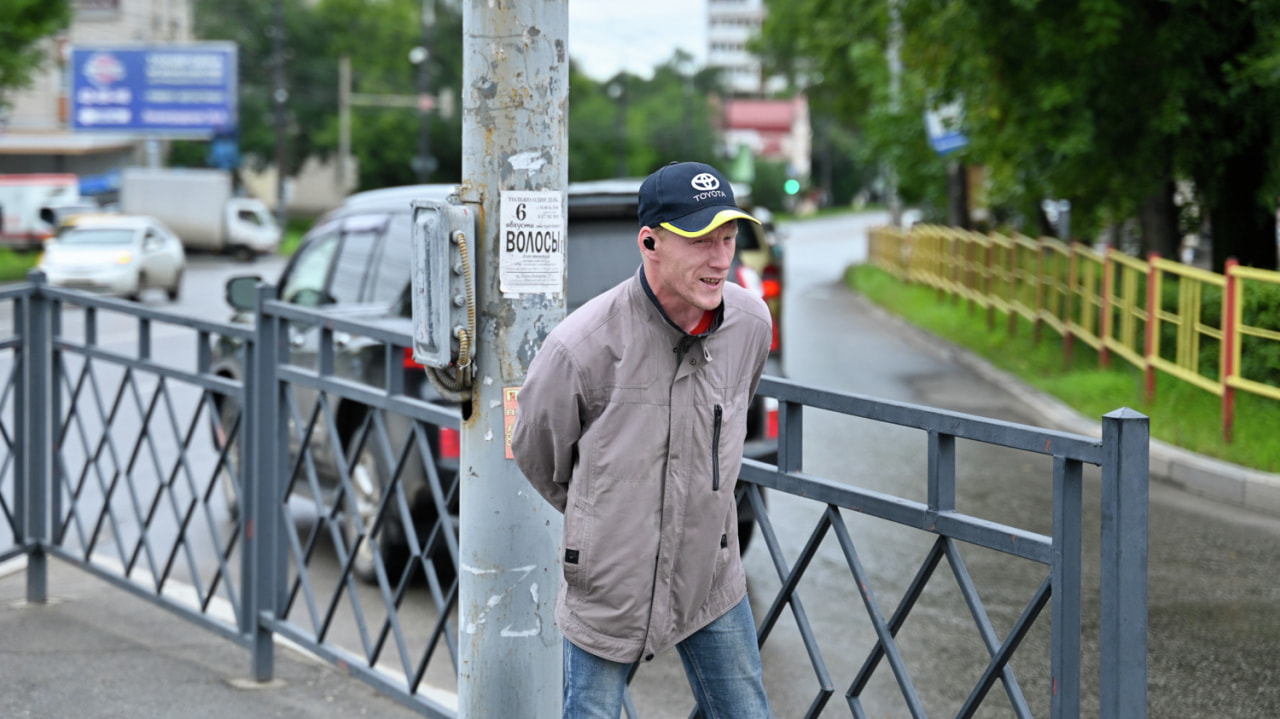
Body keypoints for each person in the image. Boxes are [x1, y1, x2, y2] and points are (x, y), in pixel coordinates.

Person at [511, 161, 775, 718]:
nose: (721, 258)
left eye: (728, 239)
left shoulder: (750, 323)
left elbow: (736, 412)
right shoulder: (580, 347)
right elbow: (538, 452)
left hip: (710, 572)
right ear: (650, 242)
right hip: (611, 583)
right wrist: (606, 517)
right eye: (702, 241)